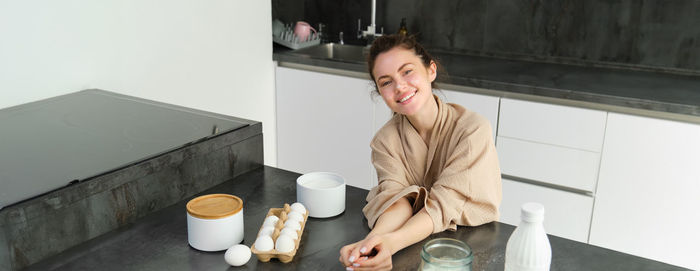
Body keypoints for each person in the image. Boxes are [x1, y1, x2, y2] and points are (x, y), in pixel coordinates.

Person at [338, 34, 502, 271]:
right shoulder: (385, 141)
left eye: (407, 71)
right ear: (380, 93)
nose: (399, 86)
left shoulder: (472, 130)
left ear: (431, 70)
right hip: (411, 245)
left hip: (466, 250)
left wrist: (390, 244)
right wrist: (370, 245)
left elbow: (443, 204)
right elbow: (397, 199)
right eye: (386, 82)